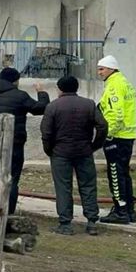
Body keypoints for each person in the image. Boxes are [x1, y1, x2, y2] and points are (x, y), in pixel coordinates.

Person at [0, 67, 49, 215]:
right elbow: (40, 108)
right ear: (16, 81)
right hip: (14, 142)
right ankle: (7, 211)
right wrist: (41, 92)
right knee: (11, 177)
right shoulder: (20, 95)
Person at [40, 75, 107, 235]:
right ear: (76, 88)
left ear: (59, 89)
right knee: (88, 185)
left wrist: (49, 150)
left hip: (61, 152)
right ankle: (91, 221)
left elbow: (46, 132)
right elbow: (103, 126)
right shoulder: (89, 104)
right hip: (84, 151)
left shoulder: (53, 106)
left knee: (63, 187)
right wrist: (94, 146)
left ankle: (65, 223)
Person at [95, 55, 136, 224]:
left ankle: (120, 211)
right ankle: (129, 210)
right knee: (124, 173)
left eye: (102, 69)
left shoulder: (114, 85)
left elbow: (116, 114)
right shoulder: (125, 83)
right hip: (127, 136)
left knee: (115, 173)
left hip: (117, 137)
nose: (99, 73)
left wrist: (108, 134)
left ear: (111, 69)